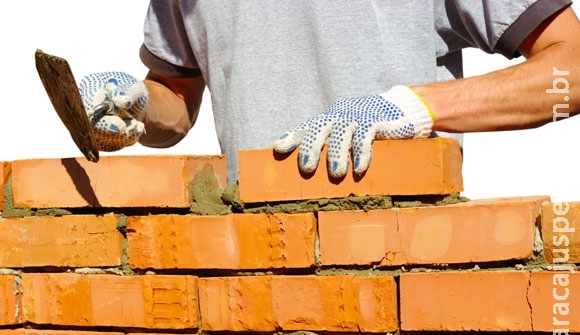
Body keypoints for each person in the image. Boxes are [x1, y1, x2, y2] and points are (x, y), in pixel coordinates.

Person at [79, 0, 580, 184]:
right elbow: (178, 93)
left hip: (399, 266)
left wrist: (415, 106)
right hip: (256, 264)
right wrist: (139, 103)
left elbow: (571, 69)